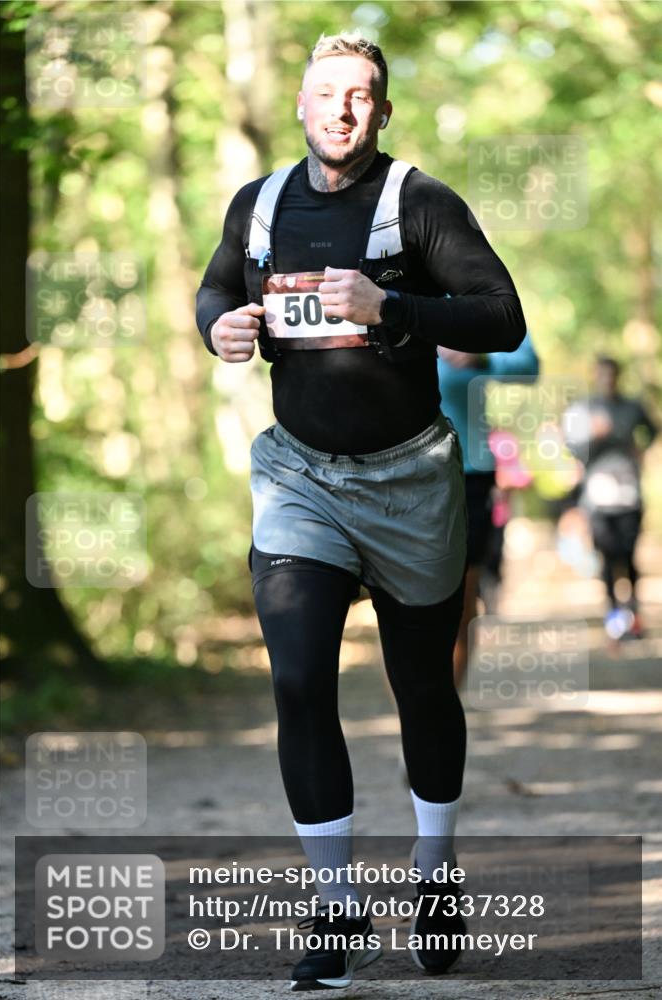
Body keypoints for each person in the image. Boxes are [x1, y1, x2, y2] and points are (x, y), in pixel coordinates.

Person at [196, 31, 526, 990]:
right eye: (328, 92)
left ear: (381, 113)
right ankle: (335, 906)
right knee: (298, 682)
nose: (343, 109)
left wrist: (393, 308)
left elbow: (500, 315)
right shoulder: (257, 204)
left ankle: (433, 872)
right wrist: (215, 321)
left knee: (421, 687)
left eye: (363, 96)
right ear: (301, 103)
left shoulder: (418, 203)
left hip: (411, 481)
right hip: (298, 479)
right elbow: (221, 282)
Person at [437, 333, 539, 686]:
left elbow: (529, 366)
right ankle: (413, 715)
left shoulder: (469, 295)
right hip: (396, 473)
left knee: (463, 598)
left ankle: (447, 705)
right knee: (397, 602)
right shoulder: (380, 290)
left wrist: (481, 356)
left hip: (469, 473)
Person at [562, 356, 657, 641]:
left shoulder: (632, 406)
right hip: (597, 496)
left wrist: (641, 447)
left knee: (629, 555)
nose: (607, 380)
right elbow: (573, 447)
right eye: (602, 375)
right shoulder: (583, 409)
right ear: (596, 376)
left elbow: (652, 429)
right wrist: (593, 434)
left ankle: (634, 615)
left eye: (612, 375)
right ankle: (614, 617)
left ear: (618, 376)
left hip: (629, 492)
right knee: (607, 556)